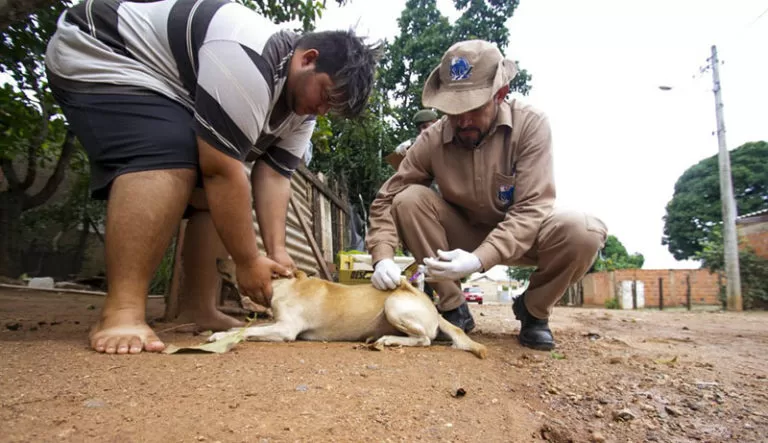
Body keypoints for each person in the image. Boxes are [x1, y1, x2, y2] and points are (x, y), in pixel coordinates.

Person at [45, 0, 381, 354]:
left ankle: (199, 307)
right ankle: (122, 311)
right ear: (307, 59)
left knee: (207, 192)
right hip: (102, 49)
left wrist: (278, 252)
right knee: (168, 151)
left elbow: (275, 177)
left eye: (333, 108)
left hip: (168, 87)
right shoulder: (250, 56)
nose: (323, 110)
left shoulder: (302, 112)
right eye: (326, 96)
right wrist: (248, 262)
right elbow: (223, 170)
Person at [366, 40, 607, 350]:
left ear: (501, 95)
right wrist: (382, 258)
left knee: (583, 231)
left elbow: (533, 207)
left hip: (526, 234)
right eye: (453, 111)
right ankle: (453, 307)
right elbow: (389, 197)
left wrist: (480, 259)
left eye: (474, 108)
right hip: (461, 236)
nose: (463, 120)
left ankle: (534, 310)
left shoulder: (531, 125)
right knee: (408, 199)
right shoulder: (433, 139)